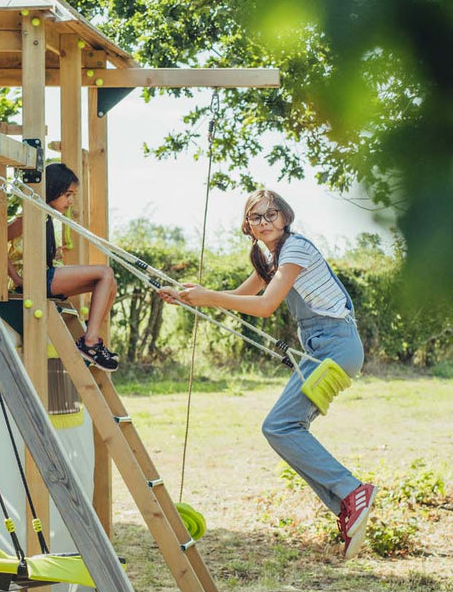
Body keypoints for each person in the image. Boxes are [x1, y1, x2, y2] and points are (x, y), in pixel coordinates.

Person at [158, 189, 376, 558]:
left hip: (336, 346)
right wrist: (187, 296)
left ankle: (351, 491)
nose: (265, 221)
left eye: (272, 213)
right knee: (284, 429)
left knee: (279, 426)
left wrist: (209, 296)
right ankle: (347, 505)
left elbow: (264, 305)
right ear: (248, 227)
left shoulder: (295, 249)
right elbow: (241, 296)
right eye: (256, 217)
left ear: (286, 216)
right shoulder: (268, 256)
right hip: (323, 348)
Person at [7, 162, 119, 370]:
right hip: (34, 278)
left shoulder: (50, 217)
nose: (71, 201)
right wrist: (16, 279)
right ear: (53, 190)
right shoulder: (29, 218)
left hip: (46, 276)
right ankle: (90, 342)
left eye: (73, 195)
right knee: (105, 272)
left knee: (110, 283)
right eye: (67, 194)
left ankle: (90, 336)